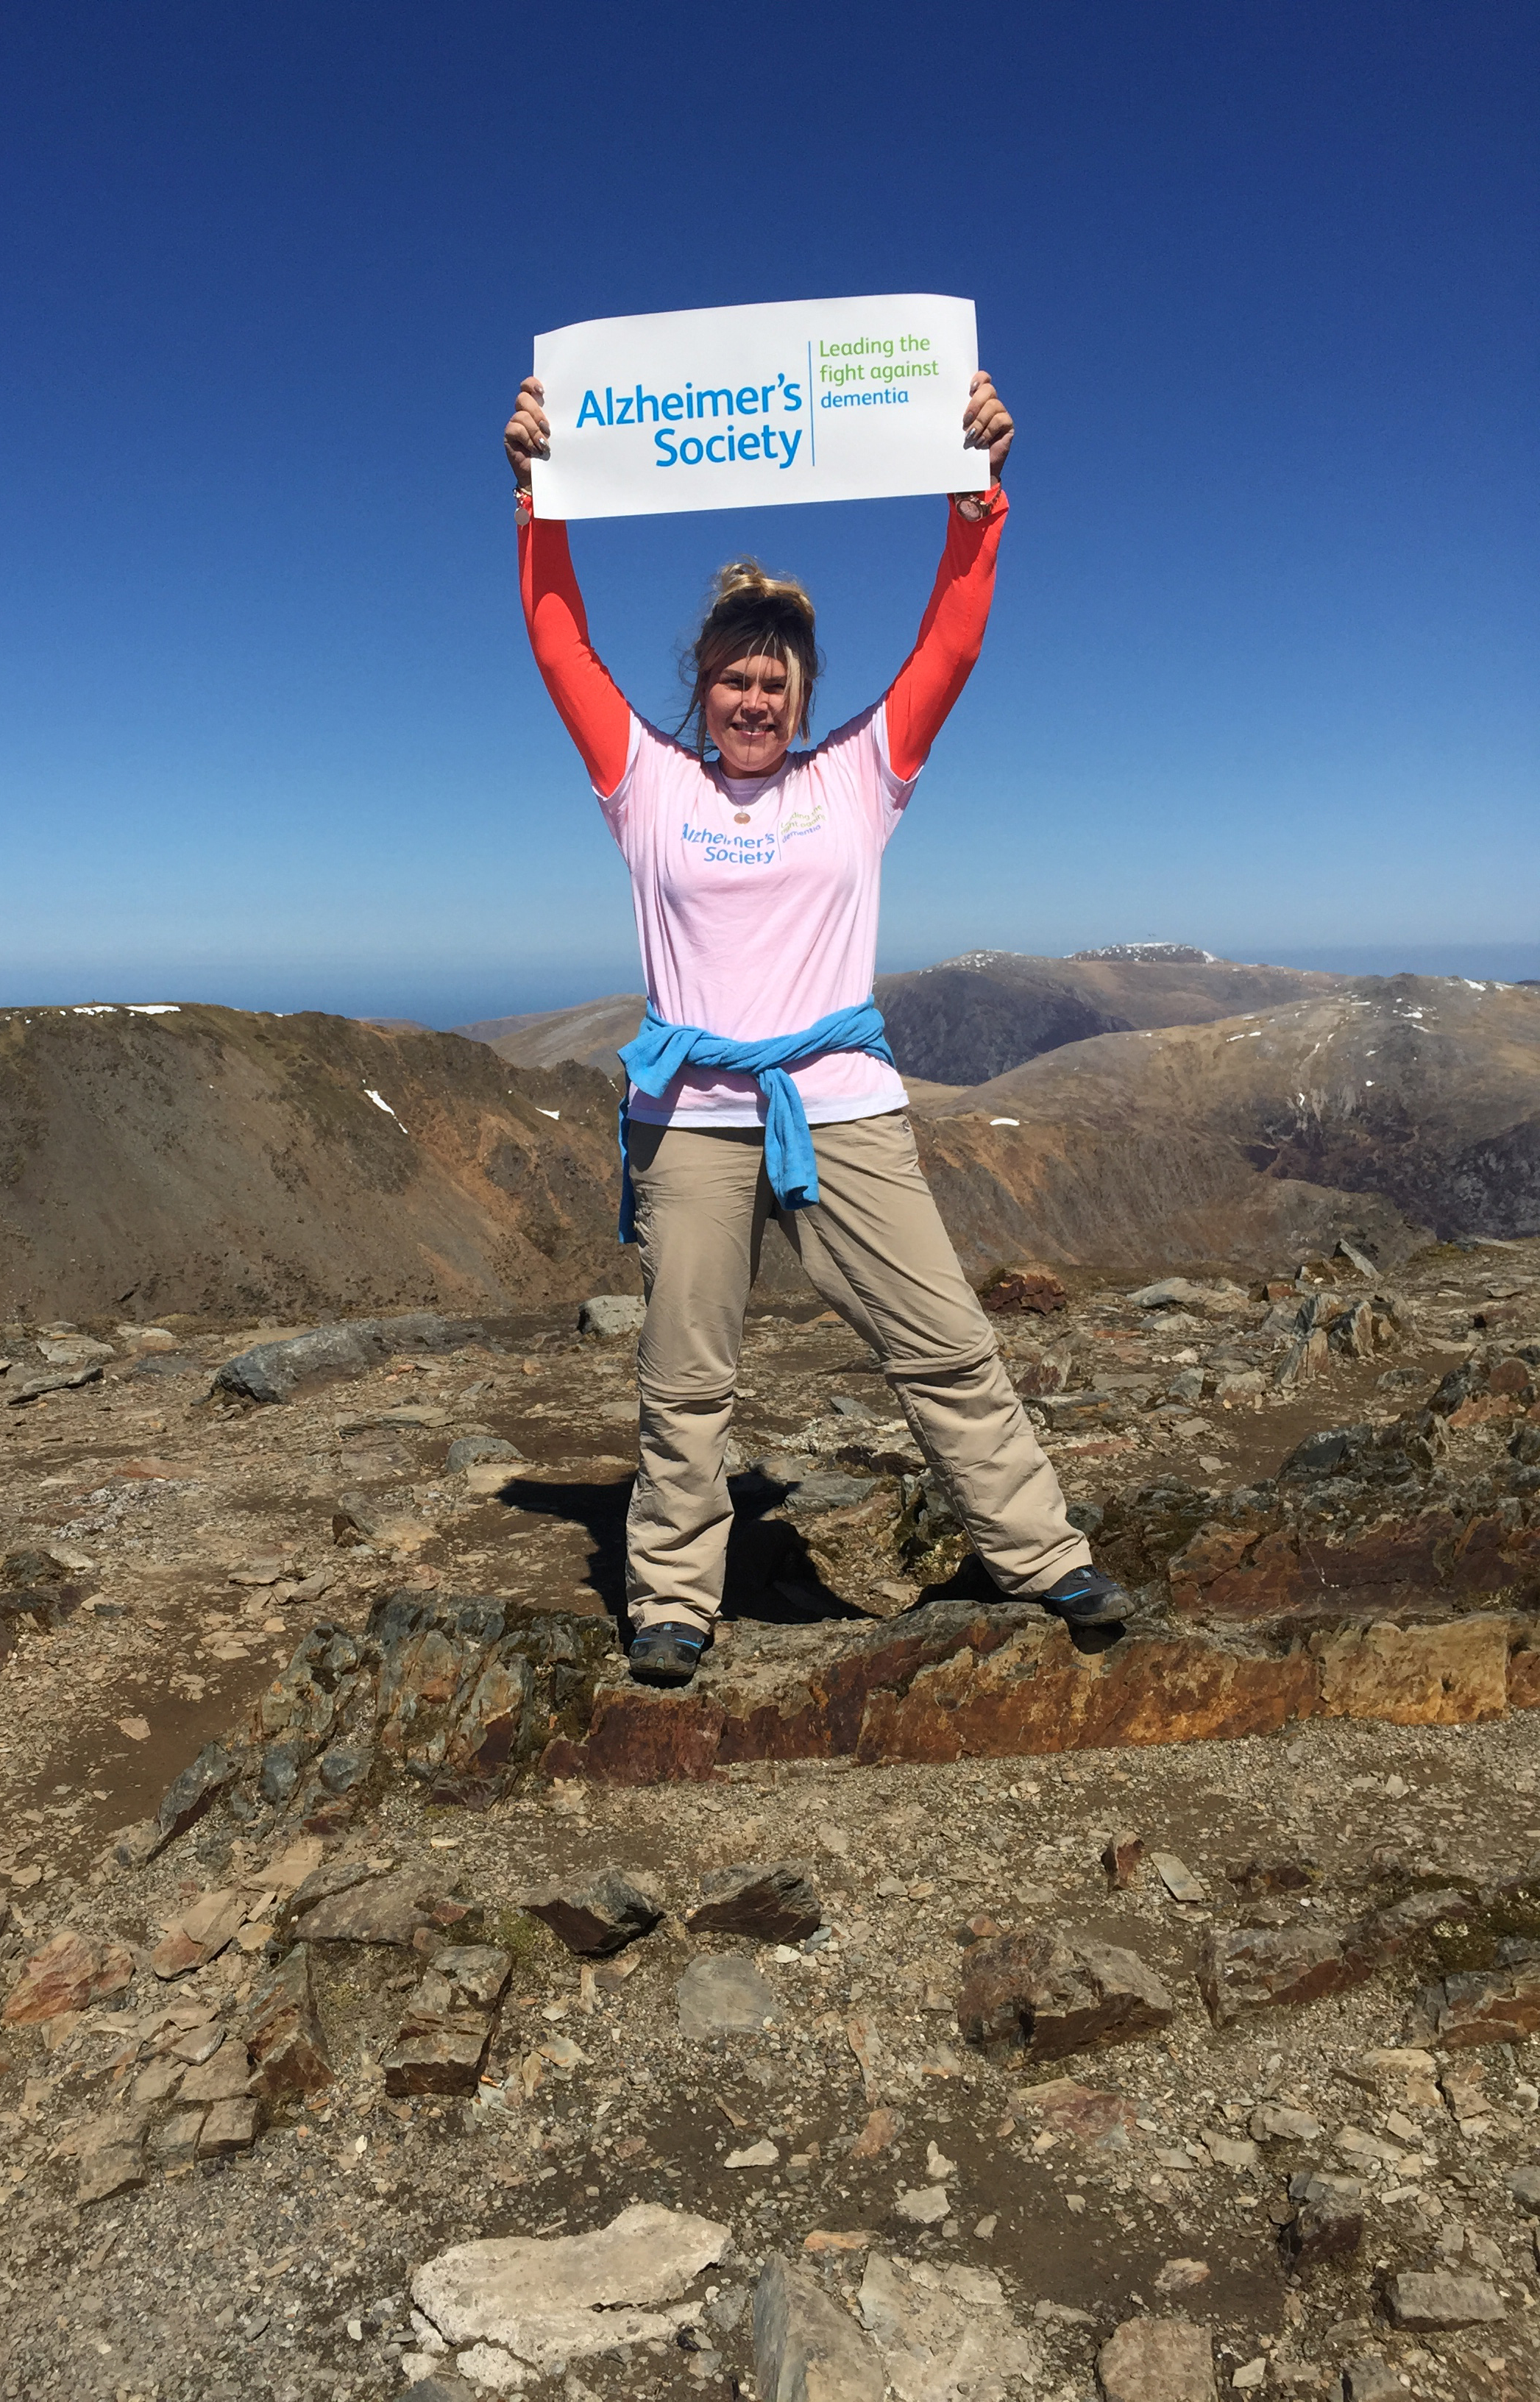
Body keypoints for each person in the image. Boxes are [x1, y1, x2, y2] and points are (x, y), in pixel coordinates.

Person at [505, 366, 1132, 1686]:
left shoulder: (861, 775)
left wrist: (977, 501)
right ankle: (673, 1596)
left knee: (944, 1339)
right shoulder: (644, 783)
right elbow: (559, 640)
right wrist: (541, 498)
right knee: (685, 1375)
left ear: (801, 694)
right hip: (694, 1119)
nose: (752, 701)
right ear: (703, 687)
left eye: (774, 682)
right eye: (732, 679)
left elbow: (950, 642)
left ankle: (1039, 1551)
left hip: (841, 1105)